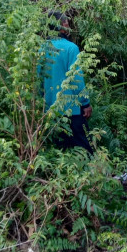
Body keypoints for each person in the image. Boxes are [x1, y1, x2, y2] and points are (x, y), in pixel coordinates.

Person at [40, 12, 93, 153]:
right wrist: (85, 103)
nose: (69, 27)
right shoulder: (71, 48)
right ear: (63, 26)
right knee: (84, 150)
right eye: (67, 24)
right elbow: (76, 79)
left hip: (49, 111)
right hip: (72, 110)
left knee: (59, 150)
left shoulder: (41, 48)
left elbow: (38, 80)